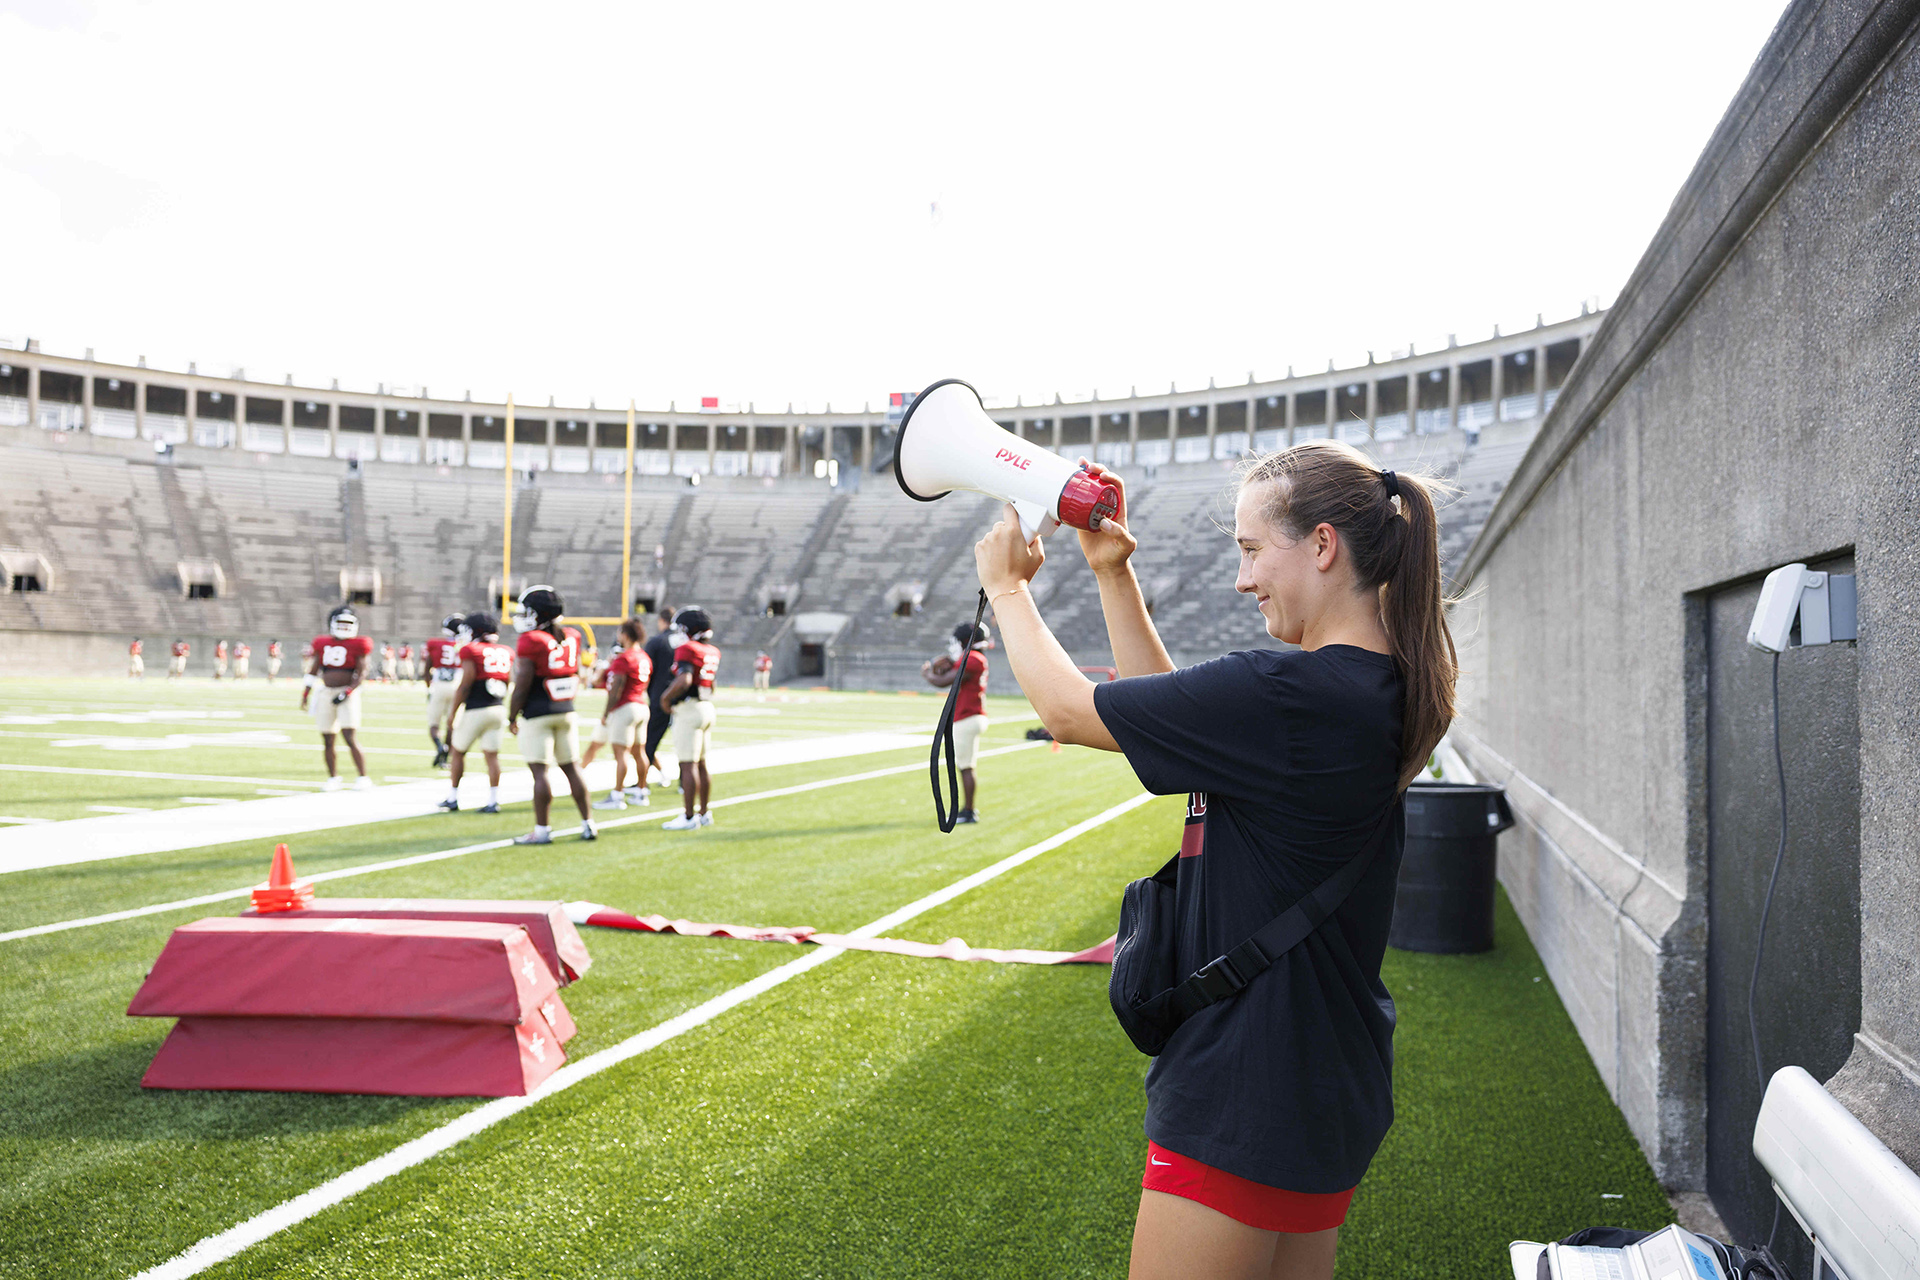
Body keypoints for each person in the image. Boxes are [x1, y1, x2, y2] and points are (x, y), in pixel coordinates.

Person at [973, 444, 1455, 1280]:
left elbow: (1066, 709)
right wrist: (1112, 575)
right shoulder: (1367, 688)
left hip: (1245, 1082)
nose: (1241, 578)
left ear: (1322, 546)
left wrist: (1006, 588)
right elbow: (1177, 738)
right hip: (1320, 1078)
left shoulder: (1293, 692)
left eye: (1249, 549)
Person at [506, 585, 596, 843]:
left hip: (538, 711)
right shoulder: (571, 635)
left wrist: (512, 716)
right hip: (566, 710)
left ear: (538, 614)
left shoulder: (531, 640)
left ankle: (542, 830)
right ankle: (588, 823)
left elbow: (522, 683)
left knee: (540, 773)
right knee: (572, 769)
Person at [920, 620, 991, 823]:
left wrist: (927, 673)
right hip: (972, 715)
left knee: (966, 766)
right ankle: (968, 810)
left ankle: (969, 811)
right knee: (966, 765)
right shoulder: (976, 658)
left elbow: (943, 681)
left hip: (967, 716)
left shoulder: (973, 659)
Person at [441, 612, 511, 814]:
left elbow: (465, 684)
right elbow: (508, 680)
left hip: (476, 709)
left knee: (458, 751)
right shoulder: (505, 650)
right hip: (497, 707)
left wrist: (453, 712)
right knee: (492, 756)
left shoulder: (472, 650)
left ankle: (453, 797)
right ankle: (493, 800)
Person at [300, 604, 375, 792]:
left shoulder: (359, 644)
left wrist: (348, 691)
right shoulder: (322, 643)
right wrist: (305, 693)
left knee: (349, 736)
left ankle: (362, 776)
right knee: (327, 738)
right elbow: (314, 669)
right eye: (340, 623)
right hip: (326, 692)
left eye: (347, 623)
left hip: (347, 693)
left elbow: (362, 672)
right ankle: (333, 777)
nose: (344, 627)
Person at [660, 607, 719, 830]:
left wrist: (665, 699)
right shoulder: (711, 650)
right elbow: (711, 685)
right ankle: (704, 813)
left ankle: (688, 817)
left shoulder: (688, 648)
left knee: (688, 765)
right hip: (706, 706)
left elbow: (684, 680)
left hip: (689, 709)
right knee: (702, 765)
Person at [585, 617, 651, 810]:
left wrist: (606, 713)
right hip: (641, 705)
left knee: (621, 753)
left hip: (625, 707)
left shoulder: (625, 658)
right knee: (640, 753)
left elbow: (616, 690)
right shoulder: (644, 657)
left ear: (625, 634)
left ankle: (617, 795)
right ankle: (641, 791)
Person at [423, 614, 467, 768]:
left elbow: (427, 669)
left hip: (439, 685)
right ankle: (445, 756)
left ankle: (439, 747)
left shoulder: (436, 644)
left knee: (434, 724)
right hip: (457, 685)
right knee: (452, 724)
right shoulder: (465, 645)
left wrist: (429, 687)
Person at [641, 607, 678, 787]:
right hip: (682, 697)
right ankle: (685, 783)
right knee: (686, 744)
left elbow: (646, 668)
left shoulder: (657, 641)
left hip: (659, 697)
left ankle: (641, 783)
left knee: (649, 741)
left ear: (661, 620)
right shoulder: (683, 642)